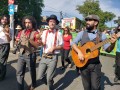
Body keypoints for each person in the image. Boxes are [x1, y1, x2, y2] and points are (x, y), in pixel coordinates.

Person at [71, 15, 118, 90]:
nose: (87, 22)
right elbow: (73, 43)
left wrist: (113, 43)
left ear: (96, 22)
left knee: (95, 87)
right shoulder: (82, 33)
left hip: (95, 65)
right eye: (86, 20)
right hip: (83, 64)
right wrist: (79, 52)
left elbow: (108, 50)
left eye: (89, 20)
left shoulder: (102, 35)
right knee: (86, 87)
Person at [37, 14, 63, 90]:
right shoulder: (44, 32)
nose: (52, 23)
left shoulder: (59, 33)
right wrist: (40, 43)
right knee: (40, 76)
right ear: (48, 23)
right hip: (44, 56)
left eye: (53, 22)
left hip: (53, 57)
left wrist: (54, 47)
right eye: (50, 21)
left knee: (49, 78)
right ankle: (49, 81)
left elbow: (62, 46)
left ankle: (50, 85)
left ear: (55, 23)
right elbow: (42, 43)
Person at [16, 16, 39, 90]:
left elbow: (37, 46)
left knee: (32, 71)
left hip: (31, 55)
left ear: (32, 23)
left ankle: (34, 84)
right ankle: (20, 88)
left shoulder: (36, 33)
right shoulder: (21, 32)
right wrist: (17, 42)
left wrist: (29, 40)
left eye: (29, 22)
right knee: (19, 72)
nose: (27, 24)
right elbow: (18, 40)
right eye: (26, 22)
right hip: (21, 54)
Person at [0, 15, 11, 81]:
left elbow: (9, 40)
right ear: (1, 20)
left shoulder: (10, 29)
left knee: (2, 60)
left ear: (7, 21)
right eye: (3, 19)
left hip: (5, 45)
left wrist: (6, 34)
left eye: (6, 19)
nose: (4, 20)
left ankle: (2, 76)